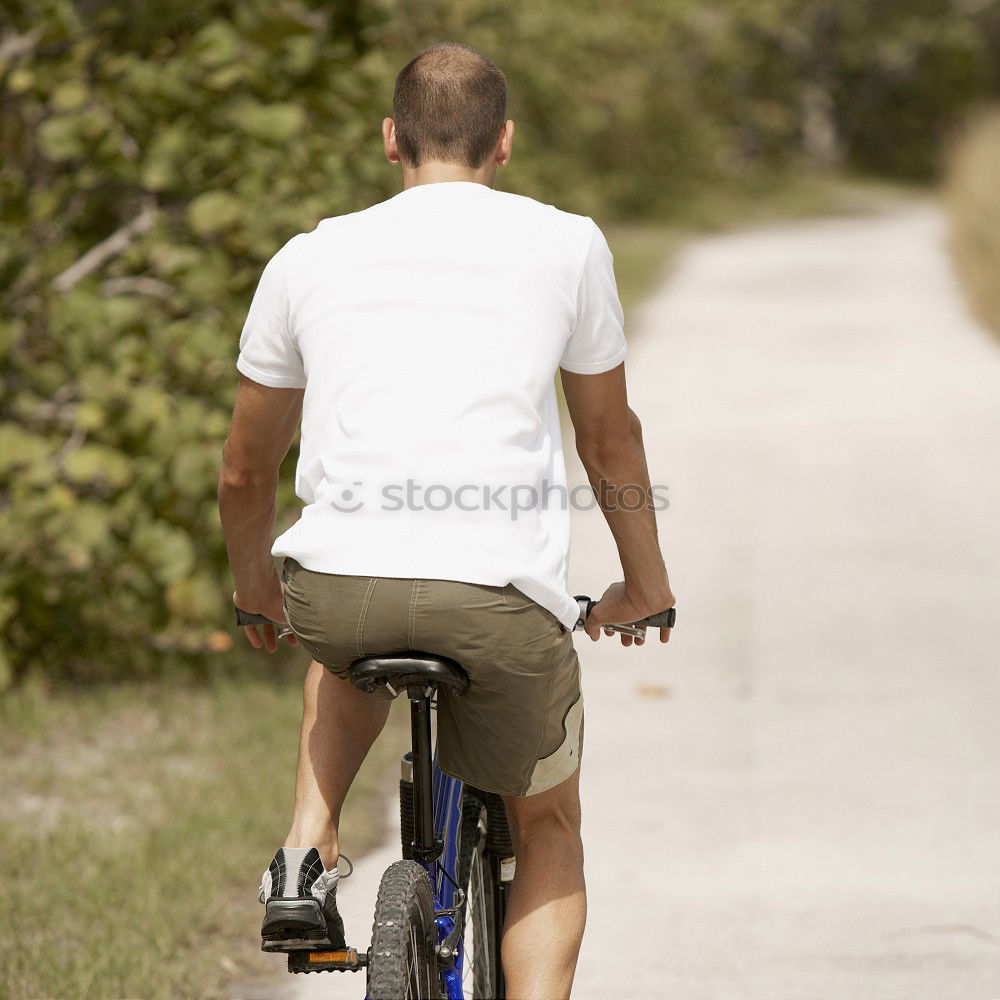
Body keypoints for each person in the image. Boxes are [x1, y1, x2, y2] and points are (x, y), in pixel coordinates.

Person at [218, 41, 675, 1000]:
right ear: (504, 142)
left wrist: (256, 583)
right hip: (499, 597)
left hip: (341, 590)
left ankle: (306, 848)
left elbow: (244, 467)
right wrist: (646, 581)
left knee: (342, 644)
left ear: (391, 141)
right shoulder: (568, 242)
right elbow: (611, 444)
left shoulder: (308, 256)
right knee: (547, 823)